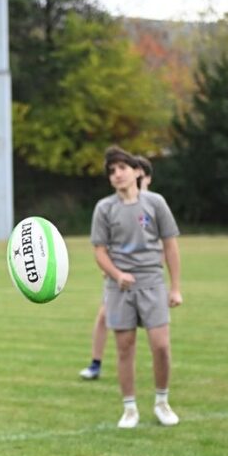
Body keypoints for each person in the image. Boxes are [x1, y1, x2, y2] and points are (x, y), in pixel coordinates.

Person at [91, 146, 182, 428]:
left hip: (152, 282)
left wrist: (175, 287)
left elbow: (170, 245)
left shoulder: (155, 203)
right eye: (111, 171)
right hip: (119, 288)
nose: (117, 174)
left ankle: (162, 402)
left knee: (161, 346)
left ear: (135, 172)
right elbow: (99, 251)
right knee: (125, 348)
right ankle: (129, 408)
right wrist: (117, 274)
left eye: (122, 168)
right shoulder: (104, 208)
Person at [80, 156, 153, 380]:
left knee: (152, 323)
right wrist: (111, 268)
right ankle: (95, 364)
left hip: (147, 276)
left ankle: (158, 362)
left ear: (144, 176)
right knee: (104, 316)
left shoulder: (152, 205)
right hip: (119, 276)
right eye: (115, 171)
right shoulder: (112, 206)